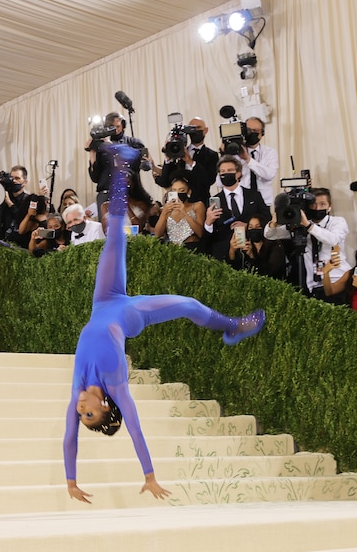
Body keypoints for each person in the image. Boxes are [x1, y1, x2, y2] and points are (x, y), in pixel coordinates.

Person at [64, 143, 266, 504]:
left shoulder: (79, 386)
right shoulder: (116, 384)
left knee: (114, 228)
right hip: (133, 313)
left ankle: (122, 163)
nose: (81, 409)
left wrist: (71, 481)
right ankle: (231, 326)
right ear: (106, 408)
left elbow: (69, 437)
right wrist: (149, 476)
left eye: (82, 414)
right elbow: (137, 430)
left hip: (104, 299)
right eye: (90, 413)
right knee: (188, 304)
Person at [264, 187, 350, 302]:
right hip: (314, 286)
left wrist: (309, 226)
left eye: (322, 204)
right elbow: (270, 235)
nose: (317, 208)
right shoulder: (301, 224)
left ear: (329, 207)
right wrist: (273, 223)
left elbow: (333, 239)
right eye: (314, 204)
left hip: (337, 280)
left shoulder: (337, 222)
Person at [202, 155, 269, 262]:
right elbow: (208, 237)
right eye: (222, 171)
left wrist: (249, 226)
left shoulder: (254, 195)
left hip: (252, 251)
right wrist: (208, 222)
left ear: (238, 173)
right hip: (224, 254)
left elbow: (266, 218)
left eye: (229, 170)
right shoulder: (214, 200)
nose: (225, 173)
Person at [153, 116, 218, 205]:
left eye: (198, 128)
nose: (195, 131)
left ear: (206, 130)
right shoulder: (177, 152)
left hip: (200, 203)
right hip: (177, 203)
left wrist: (190, 162)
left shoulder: (211, 155)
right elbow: (165, 181)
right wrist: (168, 160)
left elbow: (208, 180)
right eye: (192, 128)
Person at [152, 177, 205, 251]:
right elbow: (157, 234)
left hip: (191, 248)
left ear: (189, 192)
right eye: (174, 190)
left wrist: (184, 212)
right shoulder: (168, 209)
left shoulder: (197, 205)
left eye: (182, 190)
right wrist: (164, 213)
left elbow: (200, 232)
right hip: (172, 250)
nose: (178, 193)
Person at [228, 214, 286, 280]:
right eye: (250, 227)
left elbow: (269, 272)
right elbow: (233, 269)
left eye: (258, 227)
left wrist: (252, 256)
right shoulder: (245, 246)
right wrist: (232, 251)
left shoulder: (275, 246)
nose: (254, 230)